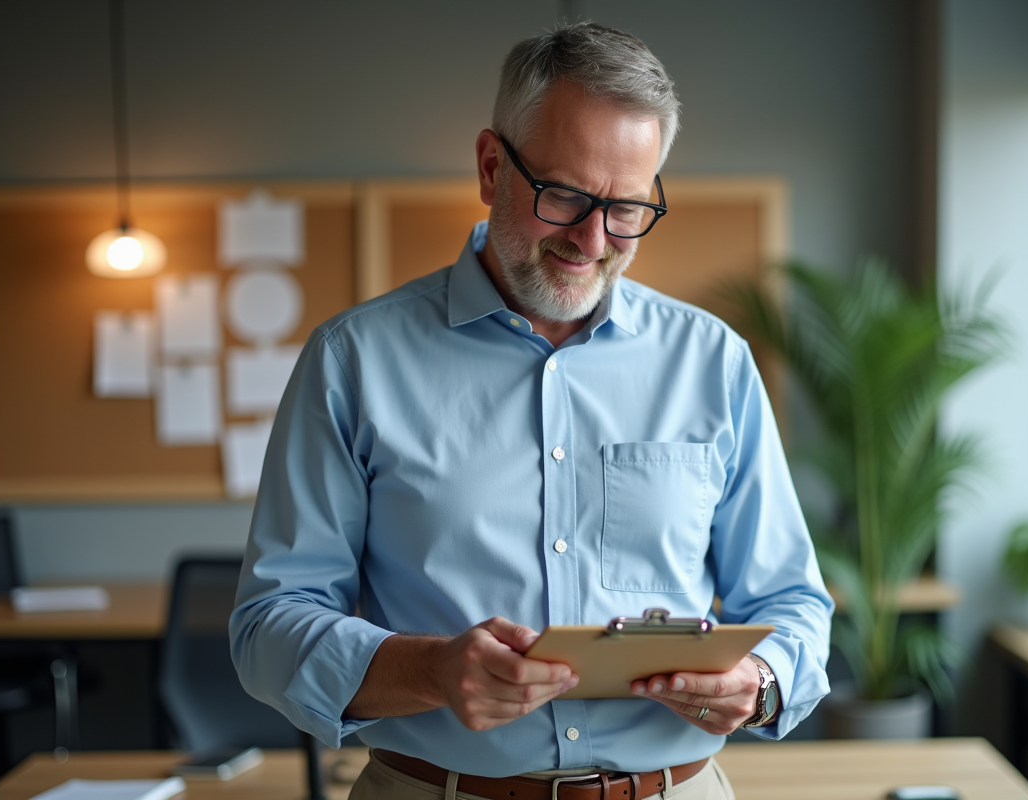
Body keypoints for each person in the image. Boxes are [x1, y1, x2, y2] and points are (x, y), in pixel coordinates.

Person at [230, 20, 832, 800]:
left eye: (626, 209)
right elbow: (268, 626)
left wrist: (757, 679)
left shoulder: (712, 361)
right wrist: (432, 673)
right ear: (490, 166)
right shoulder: (353, 361)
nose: (593, 239)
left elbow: (793, 602)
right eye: (566, 196)